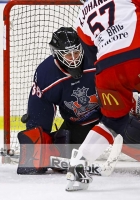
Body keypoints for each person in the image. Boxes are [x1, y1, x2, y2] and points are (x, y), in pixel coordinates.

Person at [65, 0, 140, 191]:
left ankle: (77, 166)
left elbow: (90, 52)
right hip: (137, 54)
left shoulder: (83, 13)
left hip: (106, 70)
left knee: (111, 123)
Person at [17, 27, 102, 174]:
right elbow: (39, 113)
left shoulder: (97, 57)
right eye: (68, 55)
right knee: (61, 161)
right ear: (56, 54)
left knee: (133, 133)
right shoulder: (46, 74)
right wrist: (37, 144)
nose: (74, 58)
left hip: (110, 118)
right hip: (79, 125)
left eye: (76, 52)